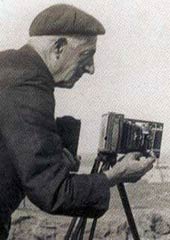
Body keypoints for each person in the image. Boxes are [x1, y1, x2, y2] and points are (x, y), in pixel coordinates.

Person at [0, 4, 155, 239]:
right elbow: (54, 193)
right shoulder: (28, 85)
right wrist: (116, 175)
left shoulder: (10, 68)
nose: (91, 69)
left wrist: (51, 162)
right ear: (58, 47)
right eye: (86, 55)